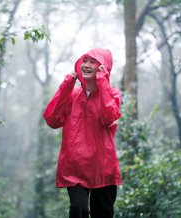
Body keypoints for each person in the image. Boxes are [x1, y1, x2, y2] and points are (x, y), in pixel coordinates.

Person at [43, 48, 122, 218]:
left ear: (103, 68)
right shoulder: (72, 95)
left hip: (103, 167)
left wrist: (103, 83)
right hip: (75, 168)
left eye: (92, 62)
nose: (86, 65)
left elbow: (109, 118)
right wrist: (67, 83)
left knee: (103, 214)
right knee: (79, 210)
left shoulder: (112, 94)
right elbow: (52, 120)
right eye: (84, 61)